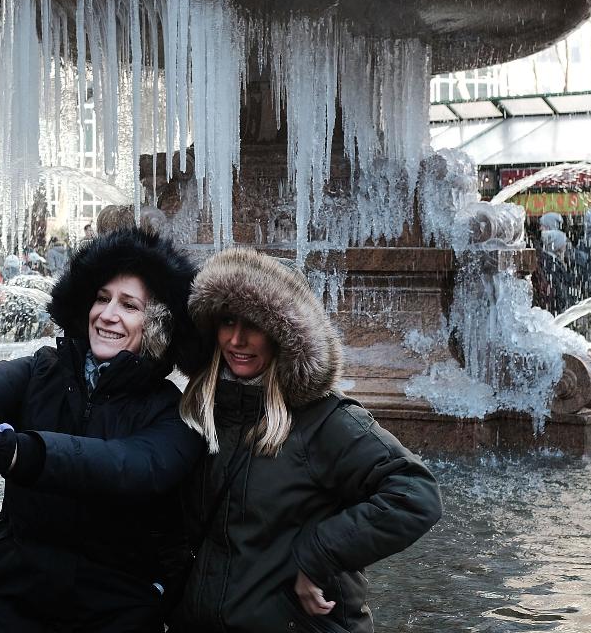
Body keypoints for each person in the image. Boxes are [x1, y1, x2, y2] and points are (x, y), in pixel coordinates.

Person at [0, 227, 205, 632]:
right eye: (102, 298)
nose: (108, 314)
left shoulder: (172, 411)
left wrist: (15, 452)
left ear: (156, 324)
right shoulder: (40, 370)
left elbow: (130, 467)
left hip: (117, 608)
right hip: (14, 599)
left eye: (129, 305)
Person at [172, 248, 442, 632]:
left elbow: (415, 494)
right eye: (227, 320)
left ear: (287, 336)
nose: (237, 338)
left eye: (256, 324)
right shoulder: (203, 411)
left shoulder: (326, 419)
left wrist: (318, 555)